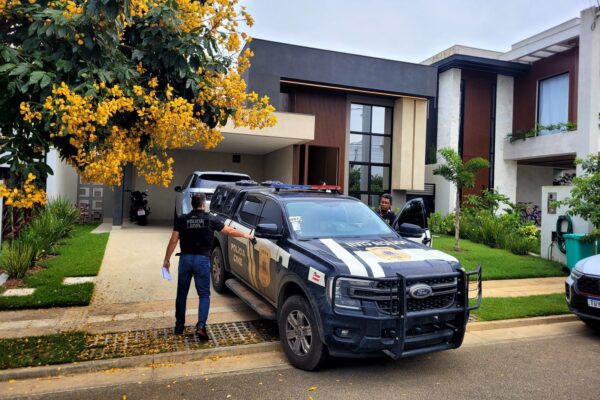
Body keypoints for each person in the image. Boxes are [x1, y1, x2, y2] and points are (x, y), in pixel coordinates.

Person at [163, 193, 253, 339]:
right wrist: (245, 235)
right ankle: (201, 327)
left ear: (192, 204)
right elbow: (229, 231)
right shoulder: (211, 219)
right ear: (204, 204)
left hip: (185, 259)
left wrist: (166, 260)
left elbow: (173, 241)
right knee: (204, 294)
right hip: (202, 260)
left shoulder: (182, 219)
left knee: (182, 294)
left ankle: (179, 326)